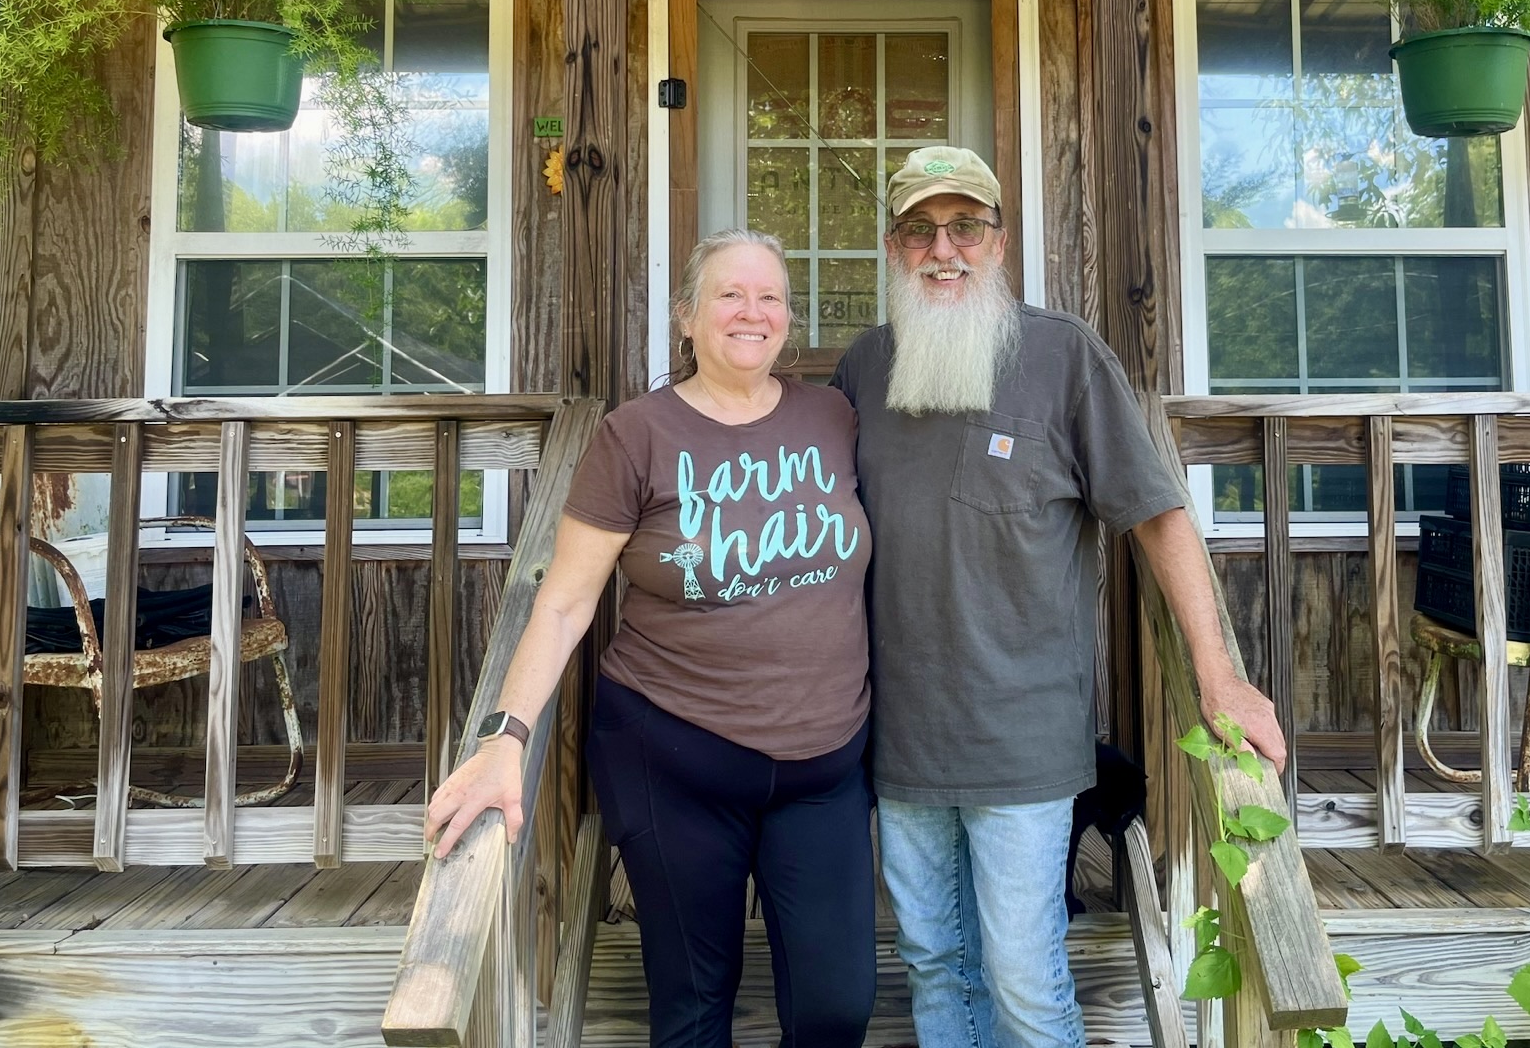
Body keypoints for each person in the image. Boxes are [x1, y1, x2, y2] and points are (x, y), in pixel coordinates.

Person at [830, 145, 1287, 1048]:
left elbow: (1158, 515)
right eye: (919, 230)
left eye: (965, 226)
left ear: (999, 242)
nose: (943, 248)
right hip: (898, 735)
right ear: (893, 247)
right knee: (931, 961)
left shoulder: (1064, 355)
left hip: (1023, 737)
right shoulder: (863, 367)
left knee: (1024, 977)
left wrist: (1219, 674)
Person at [426, 229, 876, 1048]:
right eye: (729, 295)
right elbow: (563, 603)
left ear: (789, 317)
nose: (752, 311)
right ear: (687, 317)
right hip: (674, 755)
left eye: (770, 296)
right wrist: (506, 736)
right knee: (694, 1008)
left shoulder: (833, 416)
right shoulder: (635, 435)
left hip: (825, 769)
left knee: (836, 1007)